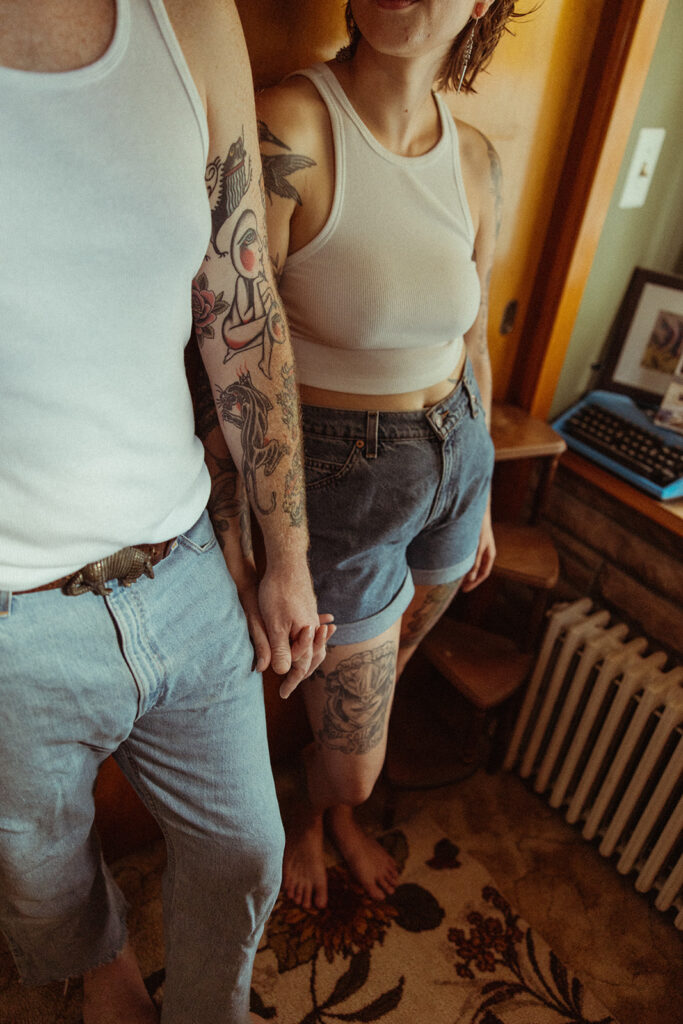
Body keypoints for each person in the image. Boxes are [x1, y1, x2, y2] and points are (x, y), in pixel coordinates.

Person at [0, 1, 331, 1021]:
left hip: (184, 562)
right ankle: (103, 969)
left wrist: (286, 557)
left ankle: (209, 1007)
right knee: (39, 867)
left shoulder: (189, 19)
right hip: (13, 621)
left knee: (246, 846)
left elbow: (242, 308)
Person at [253, 0, 519, 910]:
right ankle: (314, 811)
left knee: (381, 677)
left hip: (458, 459)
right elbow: (234, 347)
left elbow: (475, 335)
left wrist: (480, 494)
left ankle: (328, 820)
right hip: (343, 483)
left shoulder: (478, 158)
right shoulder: (291, 124)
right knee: (359, 759)